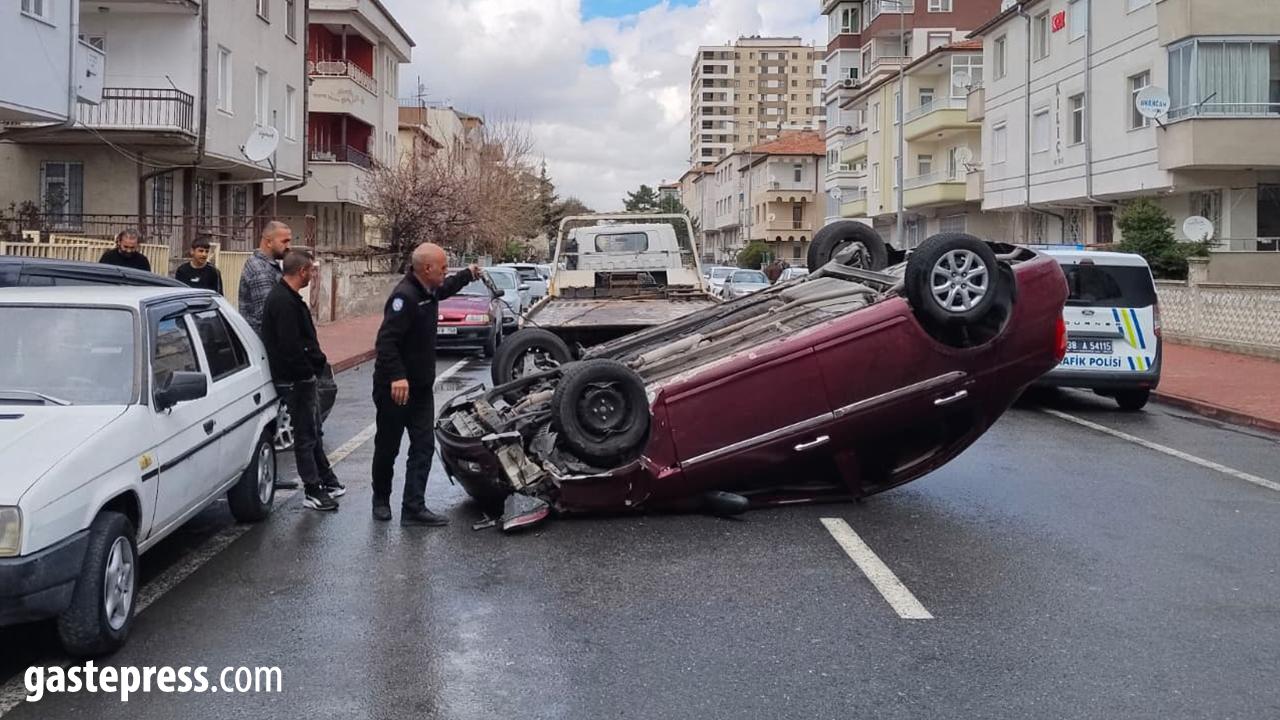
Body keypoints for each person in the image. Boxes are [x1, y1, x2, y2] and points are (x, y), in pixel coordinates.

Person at [371, 243, 482, 525]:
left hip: (420, 388)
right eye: (443, 268)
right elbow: (386, 342)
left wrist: (468, 274)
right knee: (388, 447)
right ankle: (380, 500)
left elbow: (446, 288)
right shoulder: (404, 297)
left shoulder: (429, 289)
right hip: (395, 389)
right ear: (427, 268)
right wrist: (397, 376)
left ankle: (413, 507)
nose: (446, 271)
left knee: (423, 446)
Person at [260, 249, 346, 512]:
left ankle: (327, 480)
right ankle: (312, 490)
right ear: (302, 271)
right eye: (311, 271)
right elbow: (290, 346)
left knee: (313, 430)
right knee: (306, 435)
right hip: (295, 379)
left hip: (301, 377)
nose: (313, 275)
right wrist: (306, 371)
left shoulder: (288, 298)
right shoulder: (283, 302)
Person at [239, 221, 292, 337]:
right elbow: (266, 315)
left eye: (289, 241)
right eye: (284, 241)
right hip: (260, 341)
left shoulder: (268, 265)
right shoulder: (260, 269)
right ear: (268, 242)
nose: (288, 246)